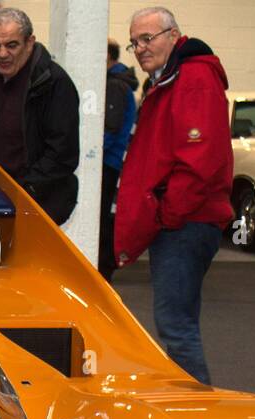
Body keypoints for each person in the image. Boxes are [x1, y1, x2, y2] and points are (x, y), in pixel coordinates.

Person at [114, 7, 232, 385]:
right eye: (135, 42)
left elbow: (201, 159)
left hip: (186, 224)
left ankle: (197, 413)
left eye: (148, 38)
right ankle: (191, 405)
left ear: (173, 34)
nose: (141, 48)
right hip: (183, 221)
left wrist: (168, 213)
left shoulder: (193, 77)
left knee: (176, 327)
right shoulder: (168, 79)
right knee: (178, 324)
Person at [0, 8, 79, 225]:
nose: (2, 54)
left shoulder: (52, 83)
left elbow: (62, 155)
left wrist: (22, 191)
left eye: (11, 45)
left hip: (36, 206)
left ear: (29, 42)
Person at [99, 41, 139, 280]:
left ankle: (104, 270)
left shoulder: (114, 86)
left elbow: (109, 130)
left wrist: (89, 160)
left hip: (109, 164)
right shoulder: (119, 83)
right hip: (113, 162)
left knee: (104, 220)